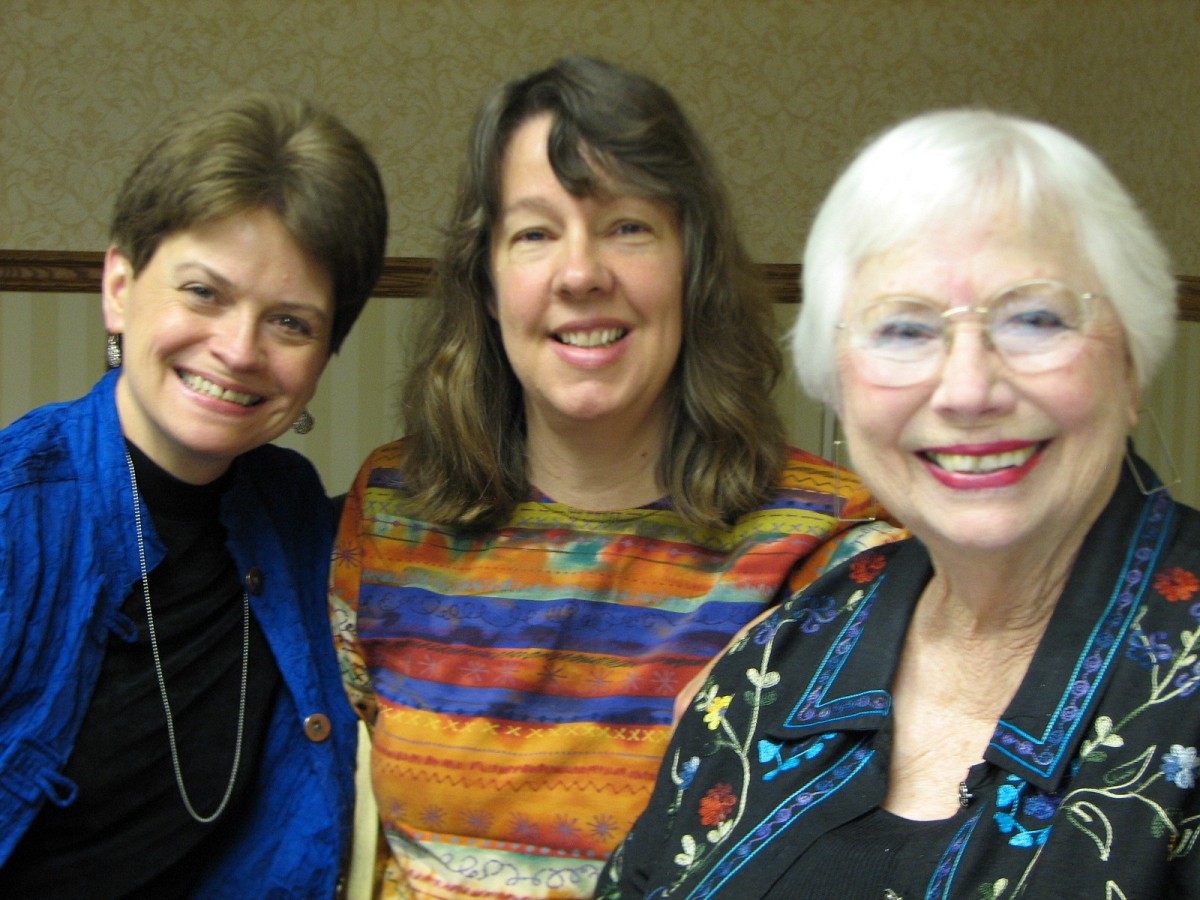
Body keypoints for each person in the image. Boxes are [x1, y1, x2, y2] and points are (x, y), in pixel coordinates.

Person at [330, 55, 899, 900]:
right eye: (534, 232)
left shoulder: (828, 550)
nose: (580, 272)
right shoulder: (393, 509)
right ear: (487, 283)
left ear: (690, 267)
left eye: (628, 226)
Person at [598, 108, 1200, 898]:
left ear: (1129, 363)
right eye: (905, 330)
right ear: (839, 383)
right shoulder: (776, 661)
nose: (968, 390)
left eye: (1035, 318)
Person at [0, 91, 387, 896]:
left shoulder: (298, 519)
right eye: (204, 293)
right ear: (118, 285)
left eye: (290, 323)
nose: (239, 349)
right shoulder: (16, 515)